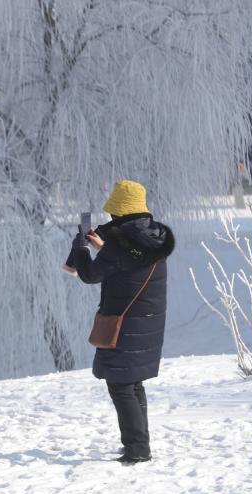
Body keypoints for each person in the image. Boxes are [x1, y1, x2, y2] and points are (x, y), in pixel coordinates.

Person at [71, 180, 175, 465]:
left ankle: (137, 450)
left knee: (121, 386)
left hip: (125, 325)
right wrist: (104, 247)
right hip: (146, 324)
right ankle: (140, 445)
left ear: (121, 213)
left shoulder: (119, 246)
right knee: (132, 384)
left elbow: (90, 275)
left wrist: (80, 248)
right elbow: (129, 263)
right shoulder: (153, 238)